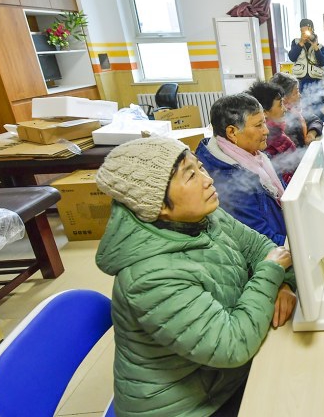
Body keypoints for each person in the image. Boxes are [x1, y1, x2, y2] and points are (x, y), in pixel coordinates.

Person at [94, 136, 296, 417]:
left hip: (219, 379)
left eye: (200, 167)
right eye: (191, 175)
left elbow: (260, 247)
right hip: (193, 407)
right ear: (158, 205)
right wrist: (272, 272)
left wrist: (281, 283)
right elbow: (232, 345)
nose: (208, 180)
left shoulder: (203, 217)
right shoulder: (149, 277)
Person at [195, 93, 288, 246]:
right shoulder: (231, 184)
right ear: (232, 133)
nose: (266, 131)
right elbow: (262, 242)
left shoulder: (256, 157)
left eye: (264, 122)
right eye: (258, 125)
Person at [247, 80, 298, 184]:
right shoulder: (265, 142)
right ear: (265, 112)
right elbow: (283, 180)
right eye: (280, 105)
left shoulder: (277, 133)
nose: (284, 109)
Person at [288, 18, 324, 118]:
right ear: (300, 30)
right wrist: (301, 43)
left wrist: (315, 46)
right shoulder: (296, 42)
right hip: (300, 81)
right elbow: (292, 57)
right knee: (302, 106)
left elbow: (323, 62)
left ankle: (319, 124)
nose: (306, 33)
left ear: (312, 29)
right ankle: (305, 124)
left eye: (307, 31)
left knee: (318, 107)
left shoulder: (320, 46)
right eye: (303, 31)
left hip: (316, 81)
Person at [271, 72, 322, 148]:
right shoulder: (282, 122)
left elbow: (314, 119)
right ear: (284, 98)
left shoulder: (294, 112)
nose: (300, 95)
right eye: (296, 93)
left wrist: (312, 133)